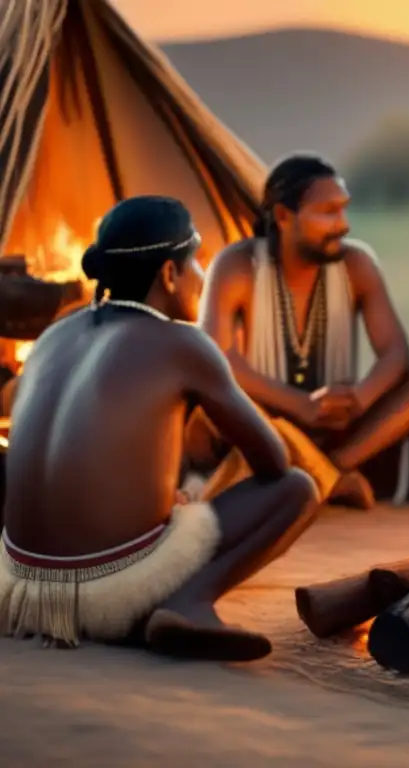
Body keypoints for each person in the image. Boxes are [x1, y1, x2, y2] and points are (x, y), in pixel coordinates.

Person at [0, 196, 319, 659]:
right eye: (198, 263)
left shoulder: (53, 337)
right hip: (108, 592)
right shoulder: (184, 344)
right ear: (170, 274)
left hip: (18, 592)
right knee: (296, 488)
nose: (203, 278)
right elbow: (272, 460)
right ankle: (187, 603)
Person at [195, 154, 409, 509]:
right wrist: (300, 405)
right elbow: (215, 358)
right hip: (269, 421)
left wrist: (361, 399)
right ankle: (324, 481)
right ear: (283, 216)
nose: (343, 224)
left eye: (344, 209)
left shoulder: (357, 264)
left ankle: (329, 472)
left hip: (338, 427)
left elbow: (395, 351)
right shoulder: (236, 267)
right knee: (201, 409)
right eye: (328, 212)